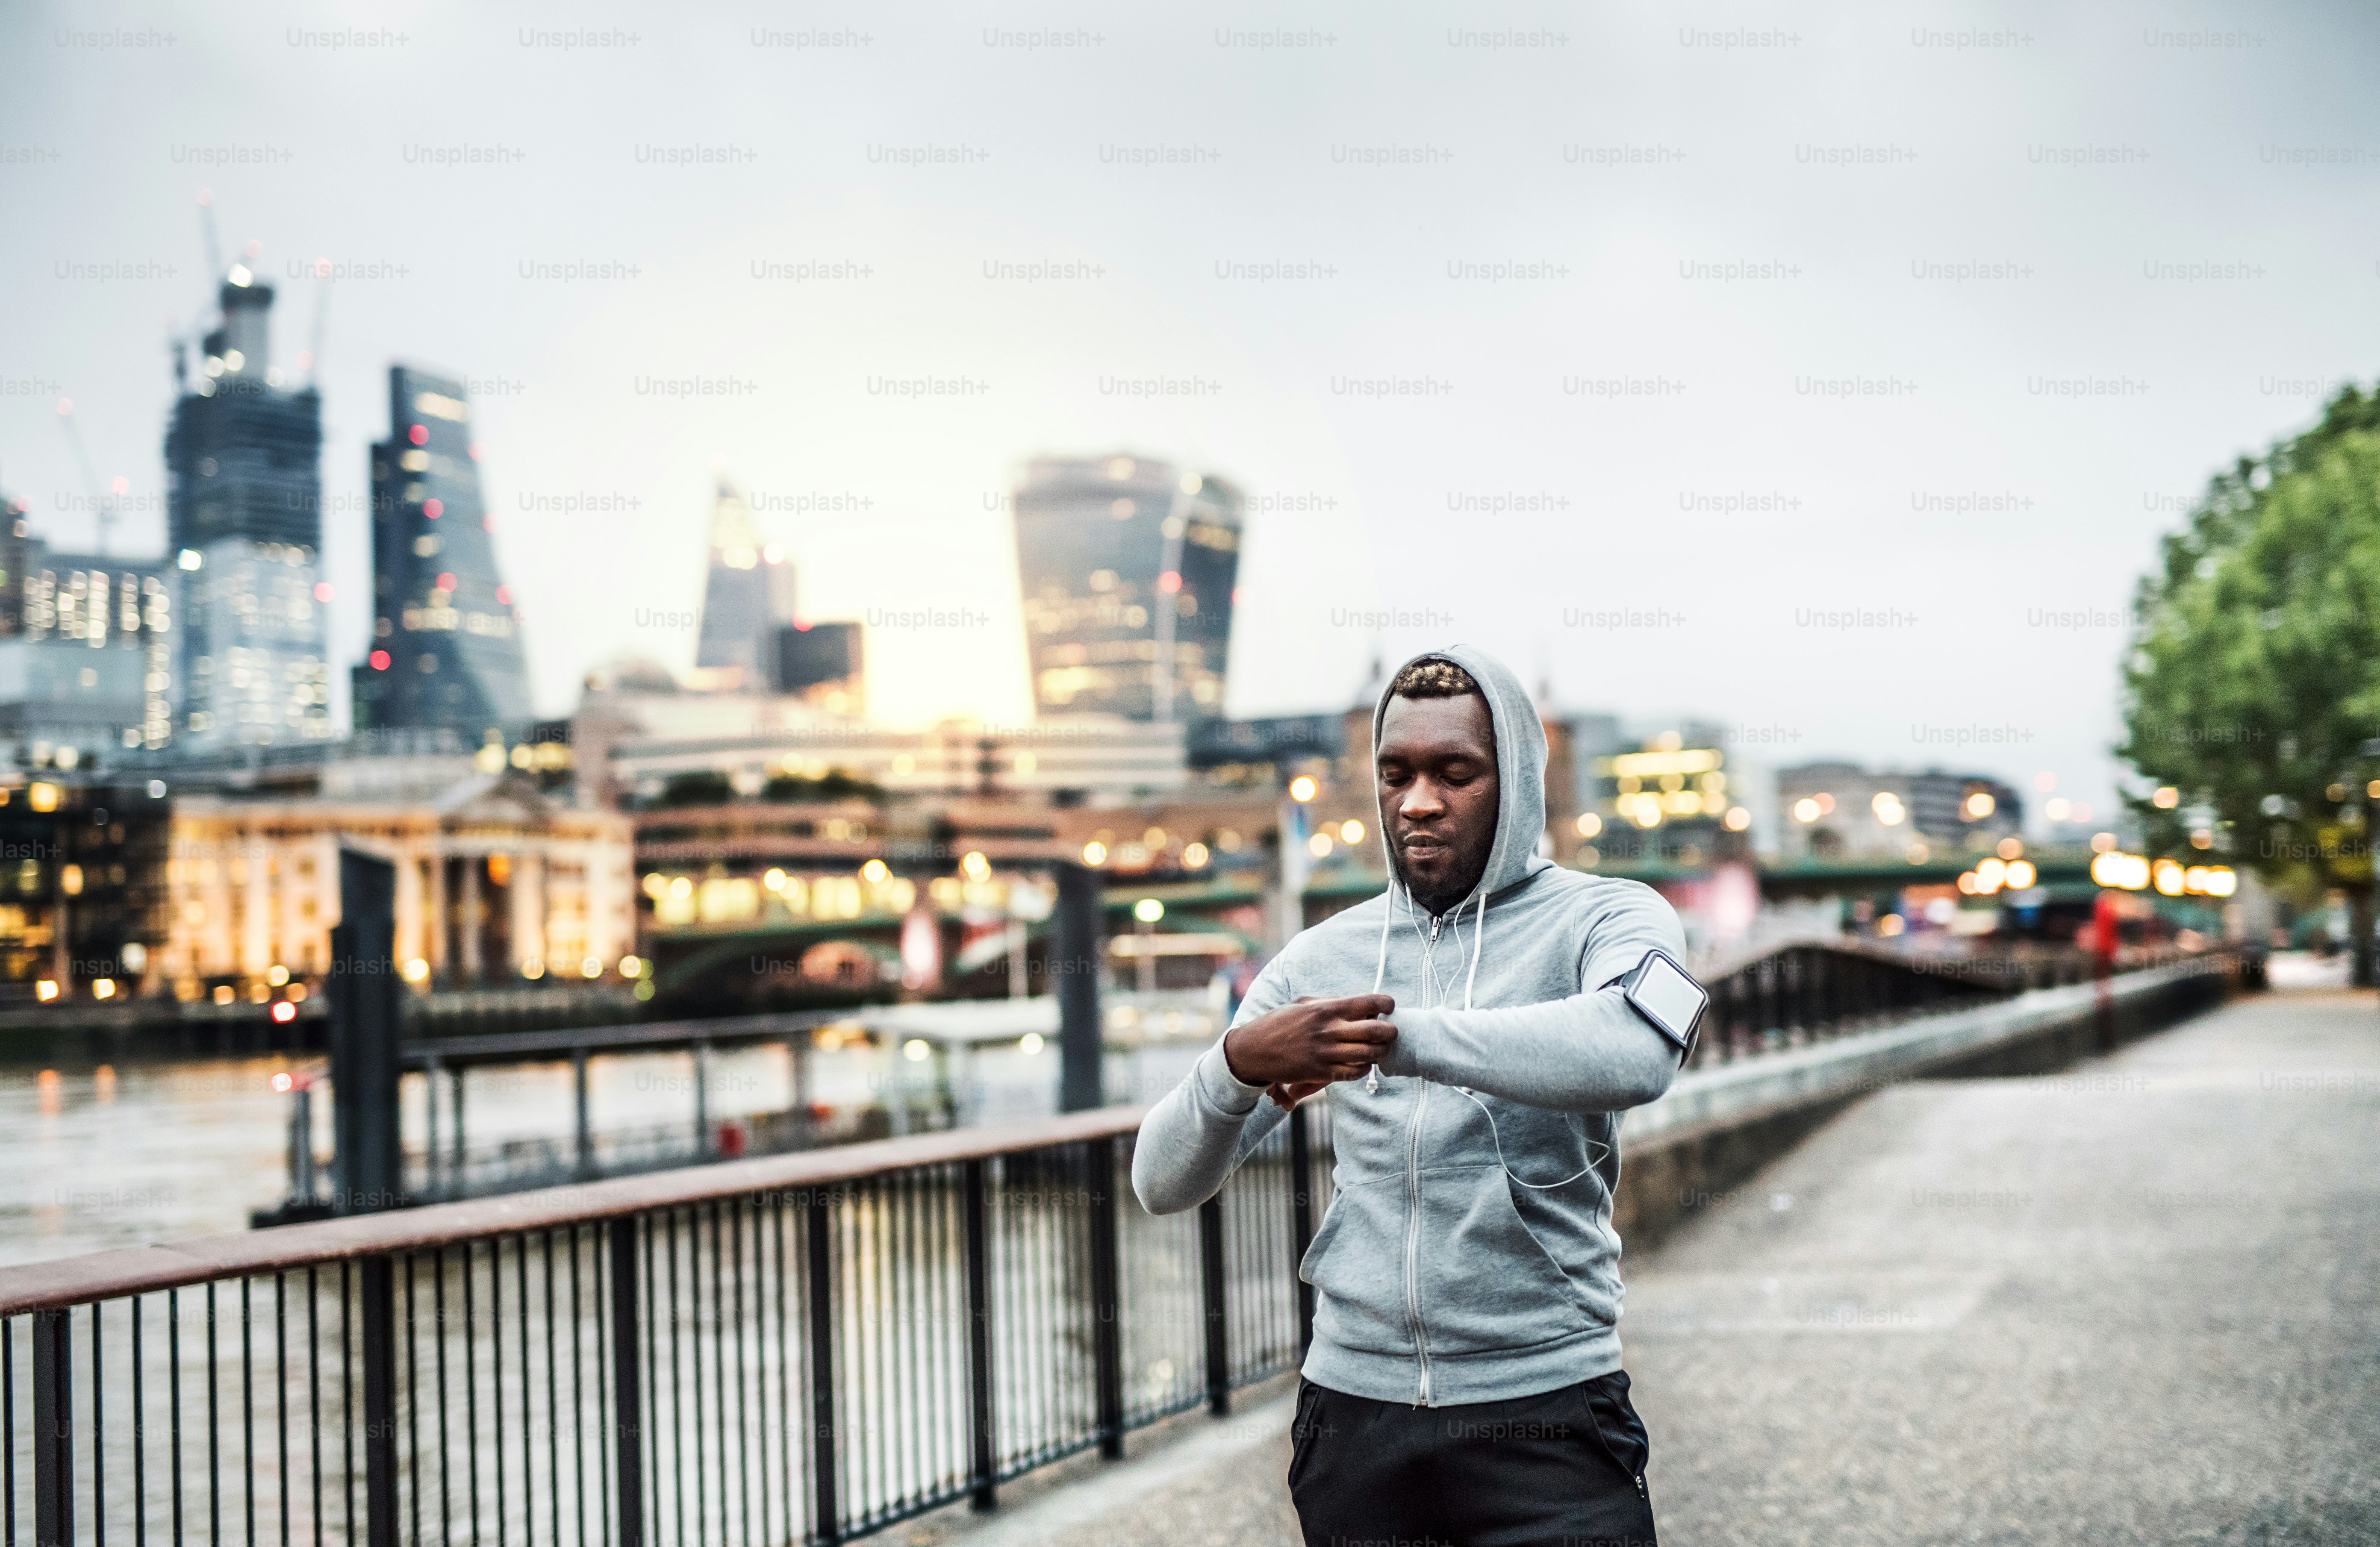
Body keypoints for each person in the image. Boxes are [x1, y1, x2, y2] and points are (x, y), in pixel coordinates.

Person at [1133, 646, 1692, 1547]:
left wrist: (1398, 1037)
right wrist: (1236, 1064)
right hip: (1356, 1421)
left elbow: (1639, 1049)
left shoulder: (1609, 917)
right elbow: (1160, 1181)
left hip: (1548, 1409)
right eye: (1396, 774)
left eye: (1454, 772)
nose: (1419, 800)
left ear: (1513, 776)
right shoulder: (1324, 956)